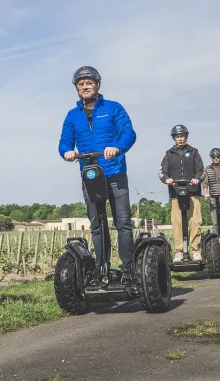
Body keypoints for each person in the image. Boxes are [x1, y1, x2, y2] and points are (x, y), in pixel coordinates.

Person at [59, 66, 137, 284]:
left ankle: (128, 269)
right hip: (90, 175)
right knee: (96, 223)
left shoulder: (113, 108)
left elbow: (128, 133)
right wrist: (67, 151)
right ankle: (101, 269)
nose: (85, 86)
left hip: (114, 172)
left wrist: (117, 148)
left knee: (122, 222)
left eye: (89, 82)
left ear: (97, 85)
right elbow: (65, 141)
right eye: (81, 83)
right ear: (77, 88)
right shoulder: (73, 115)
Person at [159, 125, 205, 262]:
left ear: (186, 137)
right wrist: (166, 179)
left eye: (182, 136)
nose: (180, 138)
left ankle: (196, 250)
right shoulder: (169, 154)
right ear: (174, 138)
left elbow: (201, 171)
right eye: (177, 136)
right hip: (176, 193)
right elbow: (162, 171)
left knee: (195, 221)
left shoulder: (193, 152)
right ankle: (179, 251)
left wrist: (197, 179)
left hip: (193, 192)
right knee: (177, 222)